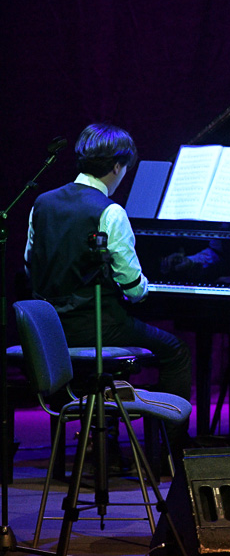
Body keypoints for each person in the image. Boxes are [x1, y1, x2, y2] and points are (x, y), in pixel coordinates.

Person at [24, 123, 192, 451]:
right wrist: (146, 286)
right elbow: (133, 289)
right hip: (96, 327)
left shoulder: (41, 203)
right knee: (175, 351)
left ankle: (104, 439)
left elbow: (31, 263)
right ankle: (174, 453)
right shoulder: (110, 211)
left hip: (48, 329)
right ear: (117, 166)